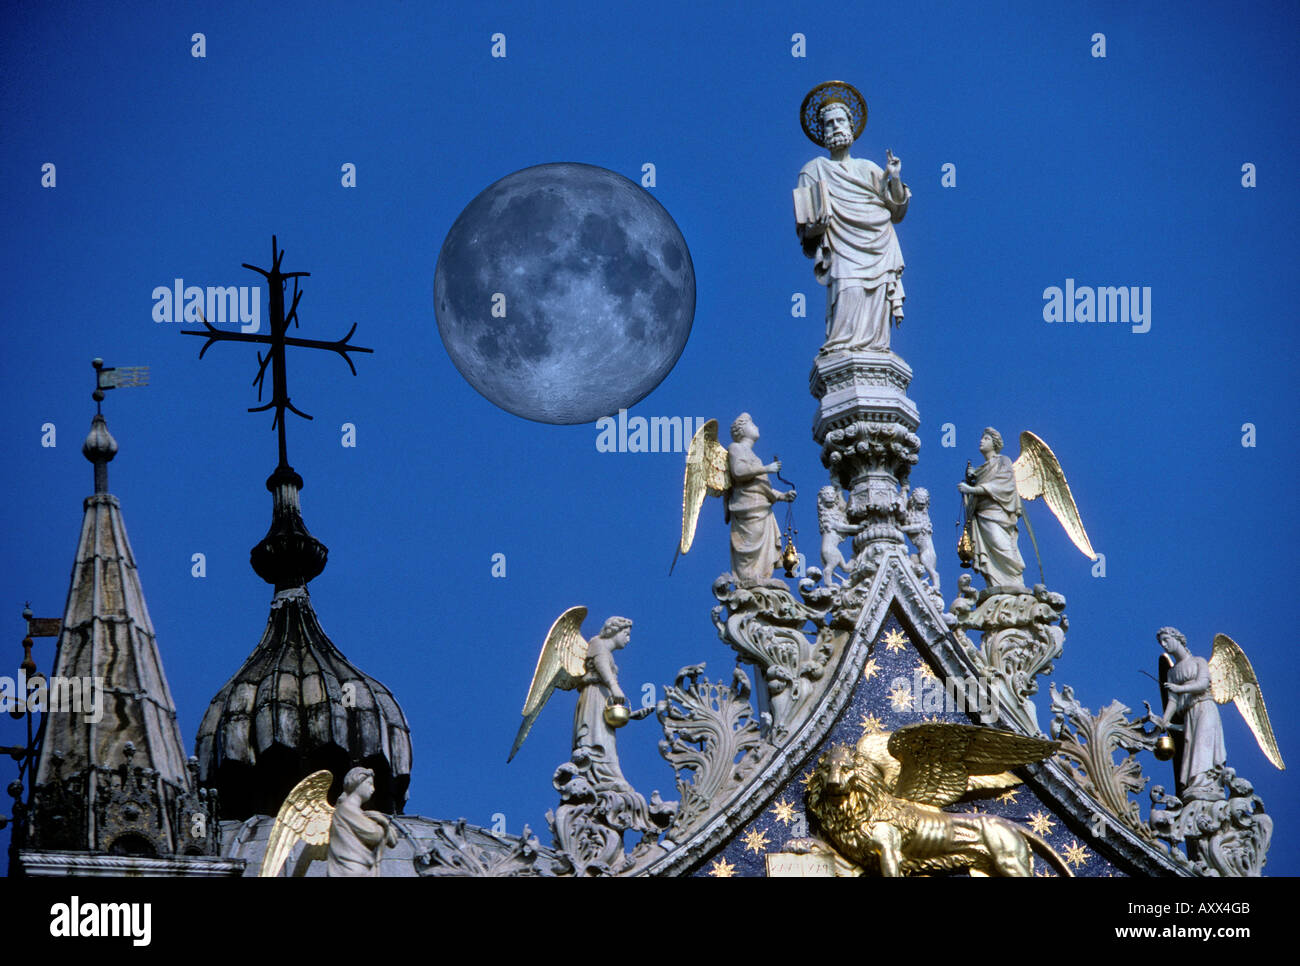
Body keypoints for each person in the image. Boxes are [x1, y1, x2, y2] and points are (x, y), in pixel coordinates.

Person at [796, 89, 910, 354]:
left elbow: (897, 211)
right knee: (849, 293)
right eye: (829, 123)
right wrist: (817, 226)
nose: (836, 127)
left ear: (851, 126)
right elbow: (806, 230)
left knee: (877, 306)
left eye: (840, 121)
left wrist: (893, 177)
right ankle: (843, 347)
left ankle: (876, 350)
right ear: (823, 132)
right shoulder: (813, 170)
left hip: (879, 246)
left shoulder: (869, 168)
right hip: (842, 247)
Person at [1154, 627, 1226, 798]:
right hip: (1189, 714)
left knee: (1203, 744)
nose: (1164, 645)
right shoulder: (1172, 673)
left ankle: (1206, 784)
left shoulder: (1198, 662)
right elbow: (1172, 700)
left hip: (1205, 707)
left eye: (1166, 640)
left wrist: (1179, 688)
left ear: (1177, 639)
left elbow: (1202, 684)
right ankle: (1194, 785)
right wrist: (1165, 720)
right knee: (1191, 749)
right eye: (1161, 643)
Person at [727, 414, 796, 586]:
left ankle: (761, 577)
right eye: (752, 423)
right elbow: (738, 471)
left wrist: (782, 496)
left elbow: (761, 486)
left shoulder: (753, 456)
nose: (756, 426)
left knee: (762, 543)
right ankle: (748, 579)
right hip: (747, 507)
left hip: (761, 506)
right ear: (742, 429)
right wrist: (766, 468)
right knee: (751, 541)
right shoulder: (735, 448)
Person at [957, 428, 1026, 588]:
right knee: (990, 551)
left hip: (998, 515)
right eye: (982, 438)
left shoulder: (1003, 461)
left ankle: (1014, 581)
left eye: (986, 439)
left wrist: (972, 490)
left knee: (1000, 544)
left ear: (995, 443)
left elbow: (1003, 485)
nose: (981, 441)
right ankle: (996, 584)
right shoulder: (981, 469)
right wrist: (973, 480)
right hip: (982, 515)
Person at [327, 766, 399, 876]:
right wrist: (383, 823)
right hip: (352, 869)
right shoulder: (346, 809)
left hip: (361, 868)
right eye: (369, 784)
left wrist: (382, 823)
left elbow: (393, 840)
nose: (373, 789)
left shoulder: (357, 812)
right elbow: (374, 835)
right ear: (357, 783)